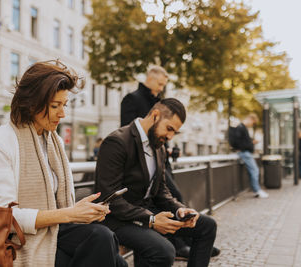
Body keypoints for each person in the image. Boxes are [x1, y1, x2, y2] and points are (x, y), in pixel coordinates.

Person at [0, 60, 127, 267]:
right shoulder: (0, 140)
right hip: (22, 239)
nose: (62, 113)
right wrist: (70, 214)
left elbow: (59, 208)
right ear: (32, 104)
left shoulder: (53, 140)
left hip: (56, 231)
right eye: (55, 106)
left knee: (109, 248)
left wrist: (81, 211)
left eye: (64, 105)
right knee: (103, 243)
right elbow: (2, 216)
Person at [96, 98, 217, 267]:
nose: (170, 136)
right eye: (169, 129)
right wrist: (151, 219)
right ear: (155, 115)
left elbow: (161, 190)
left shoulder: (158, 146)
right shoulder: (117, 141)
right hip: (118, 219)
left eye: (174, 132)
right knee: (163, 251)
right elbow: (110, 198)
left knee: (207, 226)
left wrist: (179, 209)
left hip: (148, 212)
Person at [120, 66, 220, 260]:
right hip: (139, 163)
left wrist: (169, 148)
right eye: (159, 83)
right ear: (149, 78)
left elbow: (162, 133)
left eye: (163, 85)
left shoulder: (159, 103)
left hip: (159, 158)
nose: (160, 88)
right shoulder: (132, 100)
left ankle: (187, 241)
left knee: (173, 198)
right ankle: (180, 245)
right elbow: (129, 130)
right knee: (172, 196)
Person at [235, 113, 269, 198]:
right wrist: (251, 143)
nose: (252, 125)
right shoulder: (241, 127)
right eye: (253, 123)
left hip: (245, 152)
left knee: (253, 170)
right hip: (245, 152)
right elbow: (240, 142)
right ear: (251, 119)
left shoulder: (242, 127)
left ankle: (256, 190)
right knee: (255, 170)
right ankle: (257, 190)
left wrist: (251, 142)